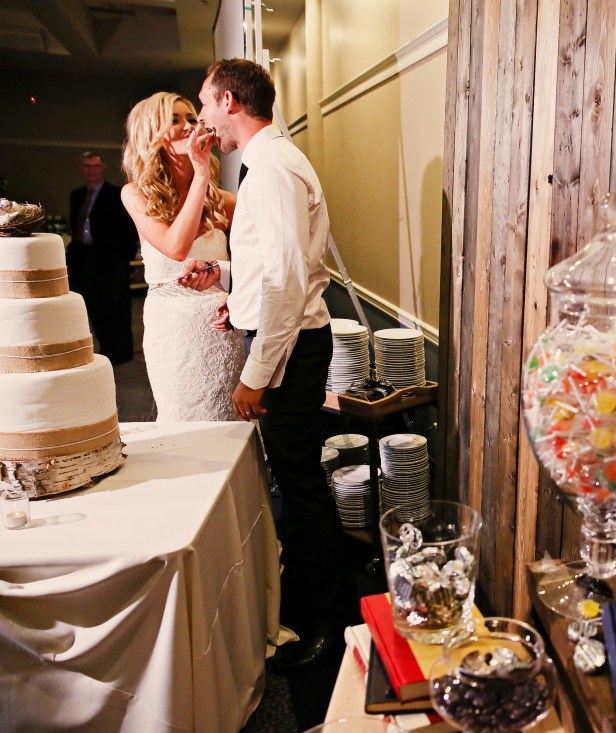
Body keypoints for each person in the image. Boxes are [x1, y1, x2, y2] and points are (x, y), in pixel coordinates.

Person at [180, 58, 350, 673]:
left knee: (300, 484)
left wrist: (255, 374)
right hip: (289, 338)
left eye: (204, 103)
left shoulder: (273, 167)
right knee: (295, 479)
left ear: (229, 100)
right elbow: (273, 269)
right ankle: (309, 603)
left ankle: (322, 621)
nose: (202, 117)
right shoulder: (268, 162)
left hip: (293, 351)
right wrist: (228, 281)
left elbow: (284, 281)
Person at [120, 92, 244, 421]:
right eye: (174, 120)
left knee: (229, 422)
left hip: (221, 327)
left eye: (191, 117)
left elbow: (254, 264)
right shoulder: (135, 194)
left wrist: (236, 294)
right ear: (151, 134)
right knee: (181, 416)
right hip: (172, 330)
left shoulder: (226, 202)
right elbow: (175, 247)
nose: (188, 125)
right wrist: (201, 176)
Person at [68, 152, 139, 364]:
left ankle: (122, 352)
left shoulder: (116, 194)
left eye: (95, 166)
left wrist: (124, 256)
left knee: (117, 306)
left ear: (103, 168)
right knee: (95, 307)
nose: (91, 170)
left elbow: (128, 229)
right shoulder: (77, 195)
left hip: (112, 260)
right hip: (86, 258)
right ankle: (106, 347)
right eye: (87, 166)